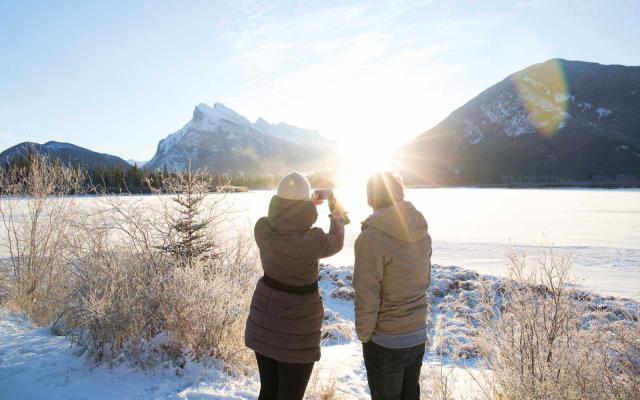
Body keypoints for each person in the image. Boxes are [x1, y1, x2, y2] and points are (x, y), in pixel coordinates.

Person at [245, 171, 347, 400]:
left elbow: (284, 222)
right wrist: (335, 208)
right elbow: (337, 240)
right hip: (297, 334)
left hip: (263, 325)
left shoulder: (262, 230)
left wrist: (302, 204)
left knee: (268, 391)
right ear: (304, 205)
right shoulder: (313, 241)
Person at [353, 171, 432, 400]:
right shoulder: (421, 231)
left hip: (386, 340)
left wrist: (364, 335)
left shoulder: (370, 238)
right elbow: (425, 280)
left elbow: (366, 293)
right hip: (416, 334)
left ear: (372, 197)